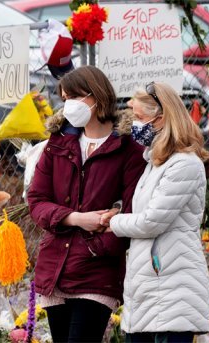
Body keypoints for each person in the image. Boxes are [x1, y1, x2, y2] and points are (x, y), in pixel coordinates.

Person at [27, 66, 146, 343]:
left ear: (97, 97)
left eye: (76, 97)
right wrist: (77, 218)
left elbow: (132, 210)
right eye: (65, 98)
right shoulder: (59, 142)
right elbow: (37, 200)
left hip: (96, 269)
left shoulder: (127, 147)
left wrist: (98, 246)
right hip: (55, 266)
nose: (69, 105)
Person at [101, 82, 209, 343]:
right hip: (153, 287)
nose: (135, 126)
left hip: (172, 290)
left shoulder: (184, 164)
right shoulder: (155, 163)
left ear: (161, 119)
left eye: (139, 118)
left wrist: (114, 221)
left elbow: (152, 221)